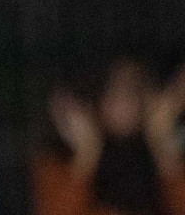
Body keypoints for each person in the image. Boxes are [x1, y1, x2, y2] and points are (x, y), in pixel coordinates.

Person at [36, 60, 185, 215]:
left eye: (135, 87)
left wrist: (163, 148)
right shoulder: (58, 163)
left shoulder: (174, 164)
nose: (123, 98)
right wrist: (86, 155)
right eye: (112, 86)